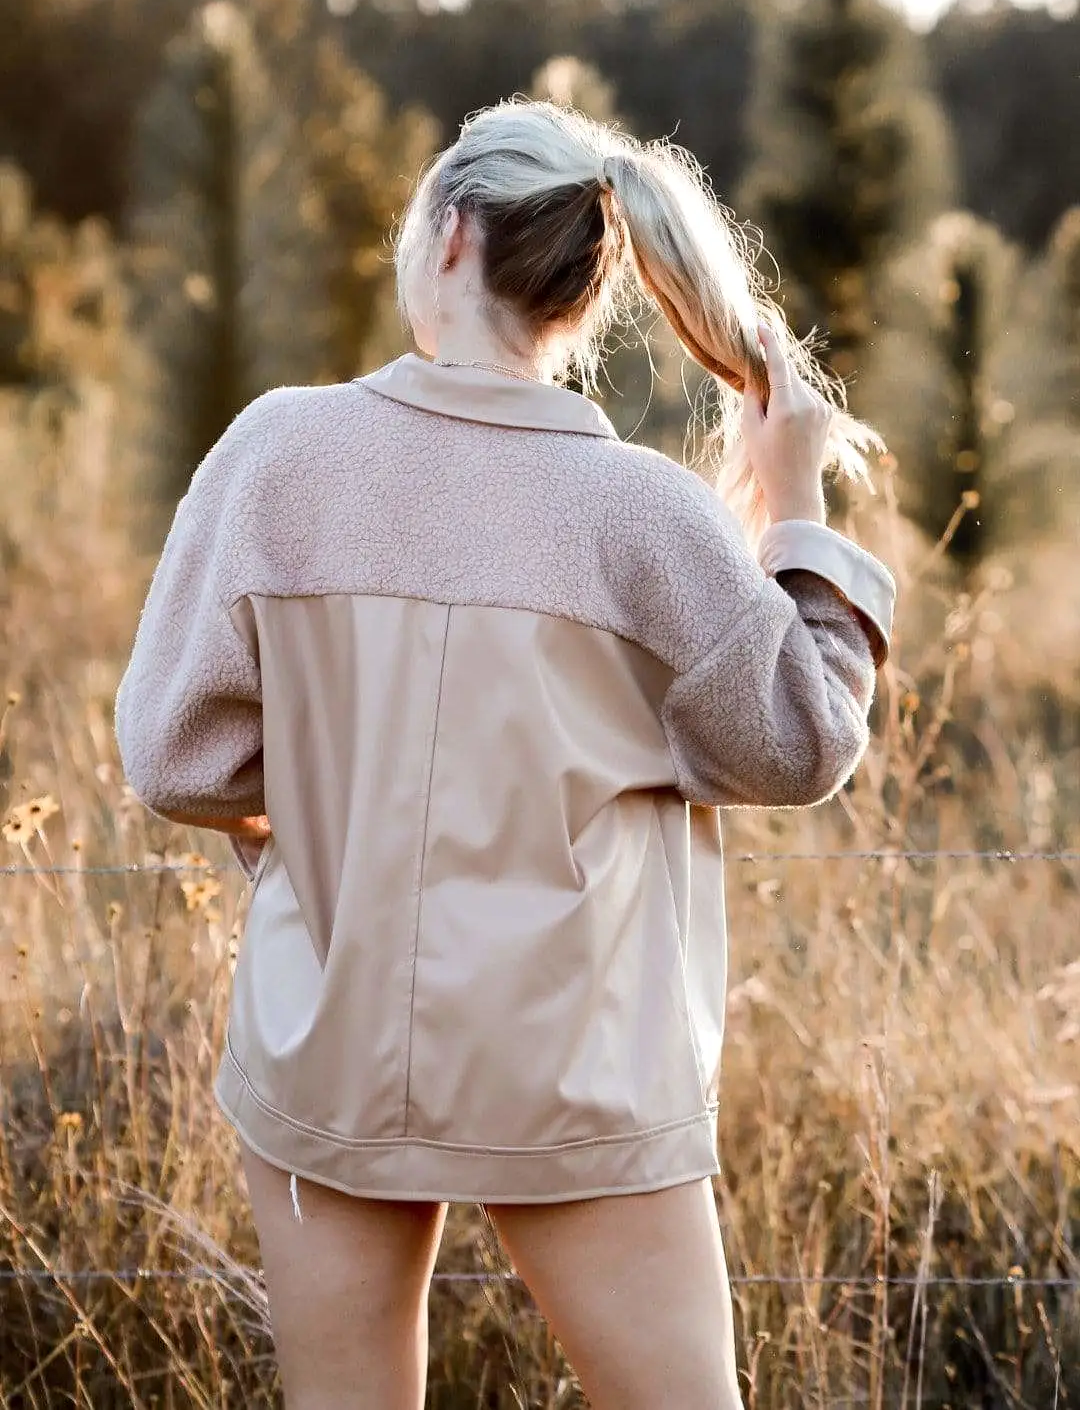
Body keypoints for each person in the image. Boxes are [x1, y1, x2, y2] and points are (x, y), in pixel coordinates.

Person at [114, 96, 897, 1410]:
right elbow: (804, 740)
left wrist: (332, 792)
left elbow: (174, 759)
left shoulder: (276, 454)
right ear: (589, 297)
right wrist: (797, 501)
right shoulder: (645, 513)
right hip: (582, 1066)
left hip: (332, 1033)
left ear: (452, 237)